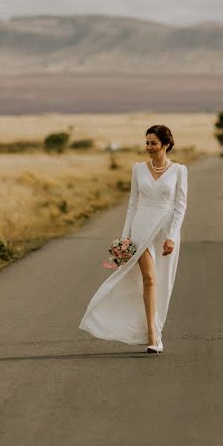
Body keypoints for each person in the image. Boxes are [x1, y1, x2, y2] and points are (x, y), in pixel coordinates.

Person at [79, 125, 188, 354]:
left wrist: (172, 236)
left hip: (165, 231)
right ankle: (152, 335)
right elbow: (132, 204)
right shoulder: (138, 169)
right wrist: (125, 238)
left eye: (153, 143)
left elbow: (180, 206)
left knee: (163, 283)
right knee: (149, 278)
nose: (148, 148)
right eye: (147, 143)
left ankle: (155, 329)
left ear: (166, 144)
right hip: (141, 230)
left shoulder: (179, 171)